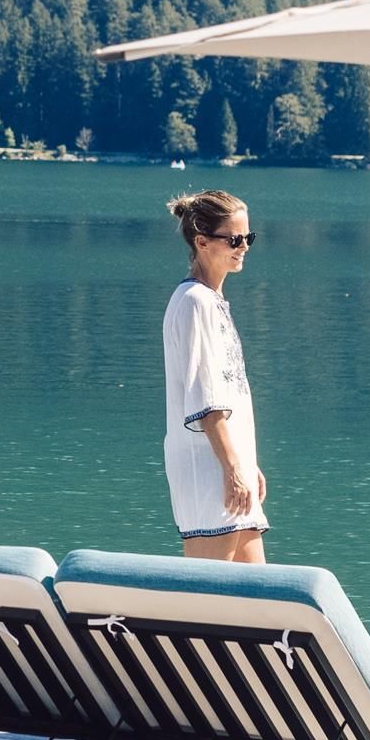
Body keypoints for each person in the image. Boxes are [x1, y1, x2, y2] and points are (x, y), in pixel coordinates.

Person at [160, 190, 265, 560]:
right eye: (234, 239)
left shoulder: (210, 301)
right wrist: (233, 467)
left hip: (227, 462)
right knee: (209, 593)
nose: (244, 247)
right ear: (202, 242)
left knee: (258, 596)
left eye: (248, 238)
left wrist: (246, 464)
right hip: (207, 467)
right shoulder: (194, 303)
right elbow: (207, 401)